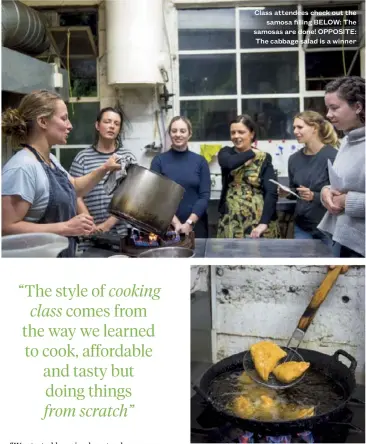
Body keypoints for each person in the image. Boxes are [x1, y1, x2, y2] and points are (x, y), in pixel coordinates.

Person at [2, 90, 120, 257]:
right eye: (64, 118)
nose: (70, 125)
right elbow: (5, 228)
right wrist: (67, 228)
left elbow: (75, 188)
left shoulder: (49, 160)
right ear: (43, 121)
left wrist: (105, 168)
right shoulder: (22, 168)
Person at [69, 107, 136, 252]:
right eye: (107, 121)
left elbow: (131, 196)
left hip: (121, 233)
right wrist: (89, 223)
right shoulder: (82, 158)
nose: (112, 126)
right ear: (97, 125)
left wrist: (107, 225)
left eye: (116, 124)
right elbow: (75, 194)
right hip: (89, 234)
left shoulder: (127, 157)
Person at [318, 76, 365, 258]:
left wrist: (347, 201)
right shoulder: (347, 140)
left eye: (334, 108)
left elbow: (347, 196)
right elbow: (344, 185)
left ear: (358, 107)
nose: (328, 115)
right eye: (327, 108)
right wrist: (326, 192)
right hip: (344, 239)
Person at [279, 111, 339, 247]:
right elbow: (296, 190)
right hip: (302, 227)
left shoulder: (333, 156)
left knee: (329, 267)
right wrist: (288, 192)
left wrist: (314, 196)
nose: (295, 131)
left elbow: (341, 196)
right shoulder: (294, 159)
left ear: (315, 128)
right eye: (294, 127)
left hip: (328, 228)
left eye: (300, 127)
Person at [217, 114, 280, 239]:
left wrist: (264, 223)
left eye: (241, 132)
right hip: (231, 220)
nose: (236, 136)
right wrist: (251, 153)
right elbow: (229, 163)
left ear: (252, 134)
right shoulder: (226, 153)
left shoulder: (264, 158)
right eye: (233, 132)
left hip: (258, 219)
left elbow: (271, 191)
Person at [150, 116, 210, 238]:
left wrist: (189, 223)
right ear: (169, 134)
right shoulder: (159, 161)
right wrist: (176, 223)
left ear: (190, 134)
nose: (178, 134)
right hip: (167, 226)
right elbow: (156, 196)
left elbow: (204, 196)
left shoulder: (200, 161)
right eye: (174, 131)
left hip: (196, 226)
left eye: (182, 131)